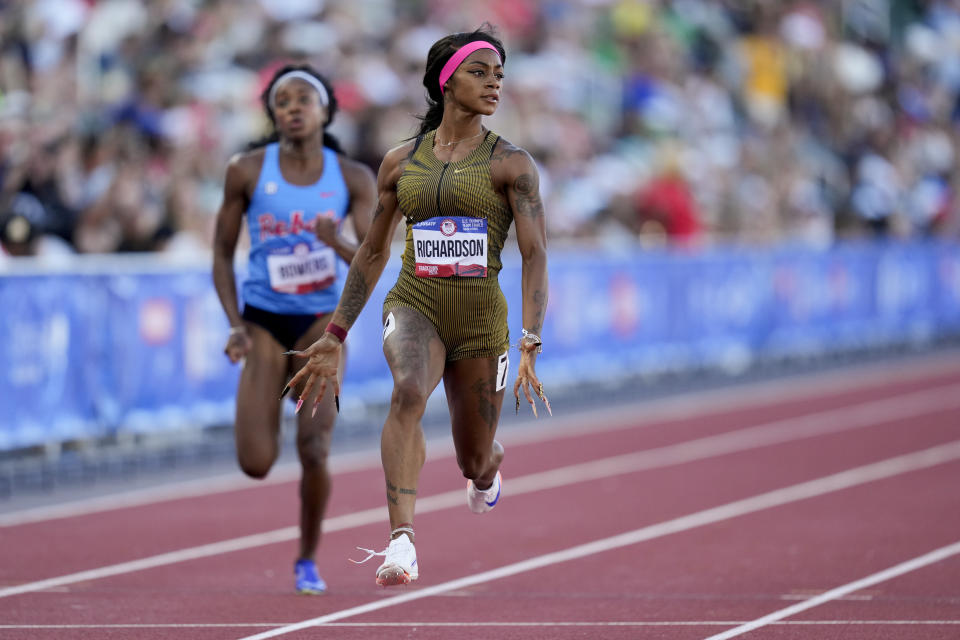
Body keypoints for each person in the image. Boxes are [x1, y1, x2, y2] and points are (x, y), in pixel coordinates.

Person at [286, 26, 551, 587]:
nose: (494, 83)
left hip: (481, 322)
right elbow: (374, 251)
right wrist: (335, 334)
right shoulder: (399, 163)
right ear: (446, 81)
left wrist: (530, 338)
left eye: (500, 74)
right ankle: (402, 540)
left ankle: (487, 470)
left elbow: (534, 254)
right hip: (415, 304)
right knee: (407, 392)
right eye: (480, 72)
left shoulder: (512, 164)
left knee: (473, 460)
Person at [212, 63, 375, 594]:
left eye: (304, 99)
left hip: (320, 327)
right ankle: (266, 402)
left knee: (314, 449)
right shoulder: (247, 170)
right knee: (256, 463)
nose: (293, 108)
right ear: (272, 114)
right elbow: (220, 250)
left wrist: (335, 243)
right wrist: (235, 324)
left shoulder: (352, 177)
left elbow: (372, 259)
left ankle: (307, 557)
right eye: (282, 101)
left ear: (326, 109)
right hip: (263, 319)